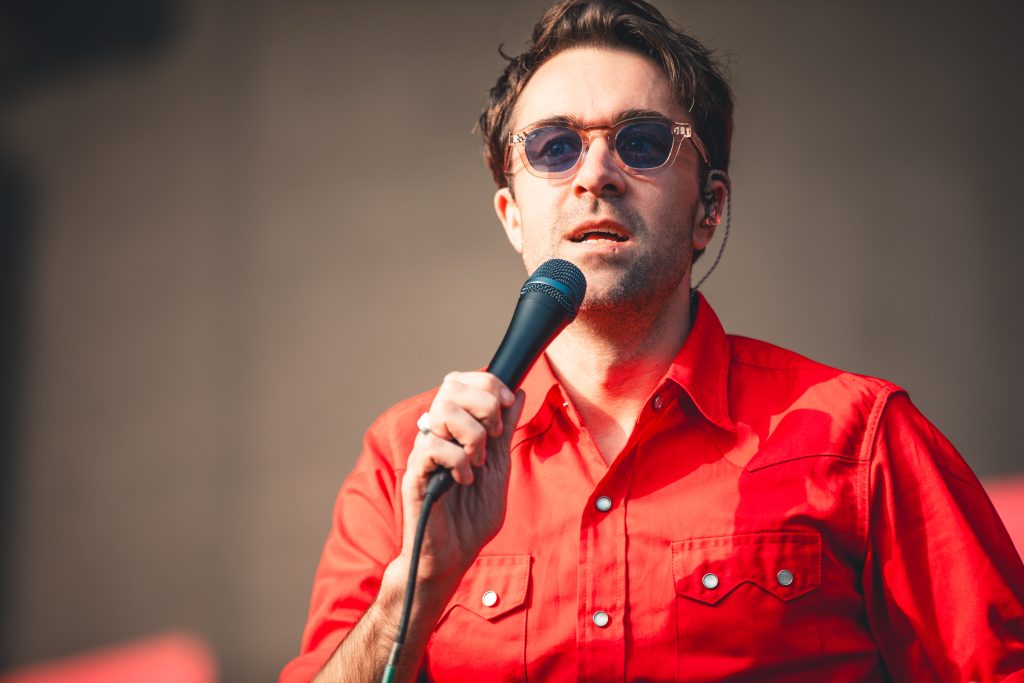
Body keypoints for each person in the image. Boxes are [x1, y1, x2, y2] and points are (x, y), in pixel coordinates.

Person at [280, 1, 1024, 681]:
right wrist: (415, 587)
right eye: (553, 146)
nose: (596, 173)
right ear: (511, 215)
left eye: (640, 142)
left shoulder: (860, 438)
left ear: (710, 208)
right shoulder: (409, 460)